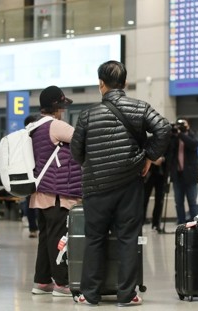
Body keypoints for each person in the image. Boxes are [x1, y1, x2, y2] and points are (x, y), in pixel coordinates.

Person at [70, 60, 171, 306]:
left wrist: (93, 164)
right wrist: (148, 156)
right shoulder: (140, 108)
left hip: (95, 188)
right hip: (130, 187)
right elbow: (164, 129)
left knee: (94, 238)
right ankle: (127, 295)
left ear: (101, 84)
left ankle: (90, 295)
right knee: (128, 238)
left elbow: (76, 152)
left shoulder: (87, 115)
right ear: (124, 83)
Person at [29, 86, 82, 297]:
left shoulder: (33, 127)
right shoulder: (56, 126)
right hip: (57, 193)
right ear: (56, 106)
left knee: (46, 237)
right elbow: (82, 139)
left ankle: (42, 281)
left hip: (41, 193)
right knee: (58, 237)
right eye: (61, 105)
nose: (63, 110)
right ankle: (61, 283)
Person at [167, 118, 198, 224]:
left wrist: (181, 134)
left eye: (183, 124)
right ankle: (181, 223)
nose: (180, 127)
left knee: (192, 202)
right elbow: (168, 150)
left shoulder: (192, 134)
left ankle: (195, 224)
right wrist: (172, 134)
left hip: (190, 176)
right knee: (178, 202)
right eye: (178, 125)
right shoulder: (174, 137)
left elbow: (194, 144)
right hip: (177, 175)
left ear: (188, 126)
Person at [23, 115, 39, 238]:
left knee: (36, 203)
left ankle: (36, 227)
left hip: (38, 174)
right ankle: (33, 228)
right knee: (30, 203)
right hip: (30, 175)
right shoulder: (24, 138)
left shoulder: (38, 136)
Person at [142, 155, 168, 232]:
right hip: (148, 173)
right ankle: (141, 222)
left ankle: (156, 224)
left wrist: (163, 159)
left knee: (159, 200)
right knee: (144, 199)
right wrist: (152, 159)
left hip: (162, 173)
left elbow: (170, 154)